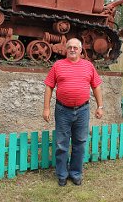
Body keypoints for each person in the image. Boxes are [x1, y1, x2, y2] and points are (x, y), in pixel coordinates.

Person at [43, 38, 104, 186]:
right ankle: (62, 174)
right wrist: (46, 108)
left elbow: (96, 86)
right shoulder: (58, 65)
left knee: (80, 143)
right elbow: (49, 86)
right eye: (69, 47)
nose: (72, 49)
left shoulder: (88, 66)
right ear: (65, 49)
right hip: (62, 110)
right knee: (61, 144)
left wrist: (100, 106)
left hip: (83, 110)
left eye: (75, 47)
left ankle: (76, 173)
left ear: (81, 50)